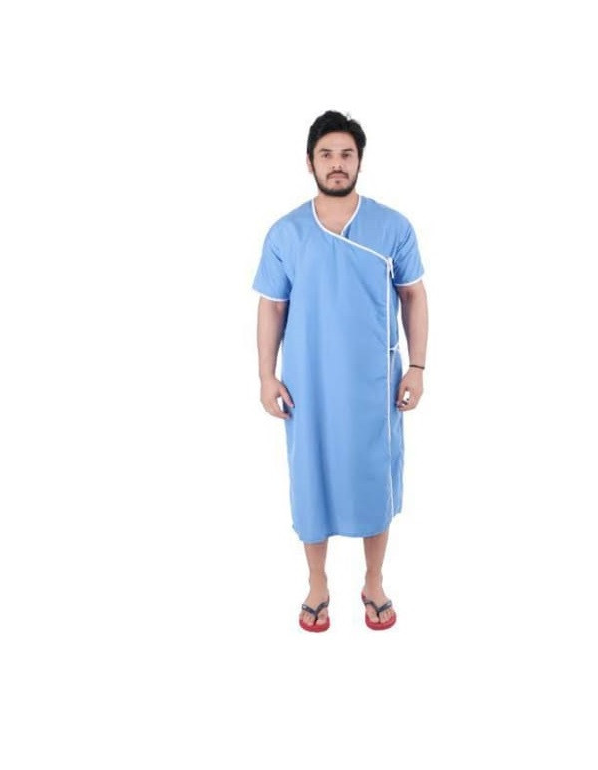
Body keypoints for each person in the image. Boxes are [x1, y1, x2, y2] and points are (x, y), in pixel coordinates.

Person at [252, 110, 428, 632]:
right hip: (308, 384)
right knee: (312, 481)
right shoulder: (286, 233)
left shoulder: (392, 227)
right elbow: (272, 306)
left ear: (359, 161)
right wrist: (266, 375)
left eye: (346, 154)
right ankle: (317, 584)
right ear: (309, 162)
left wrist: (417, 367)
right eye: (326, 154)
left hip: (375, 385)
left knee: (375, 480)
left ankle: (374, 582)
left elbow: (414, 296)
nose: (337, 163)